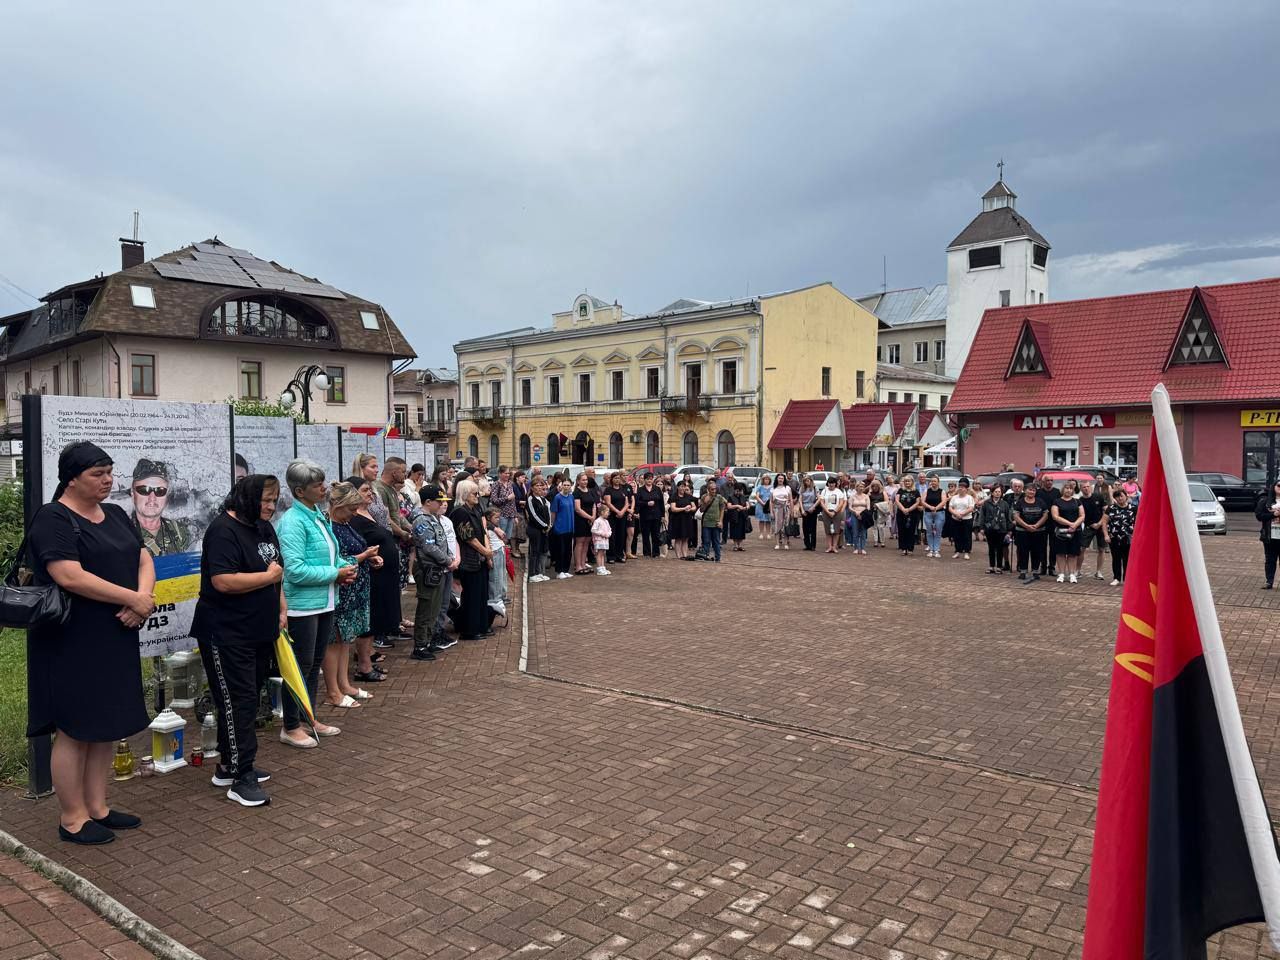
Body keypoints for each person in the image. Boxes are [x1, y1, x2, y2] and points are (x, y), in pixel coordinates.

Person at [27, 442, 154, 844]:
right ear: (72, 477)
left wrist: (143, 599)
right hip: (72, 638)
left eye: (109, 472)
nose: (108, 481)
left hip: (116, 631)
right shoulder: (53, 519)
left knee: (104, 726)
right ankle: (72, 817)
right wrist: (129, 598)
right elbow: (69, 576)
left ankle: (98, 807)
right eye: (98, 474)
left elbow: (143, 558)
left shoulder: (115, 513)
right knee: (75, 727)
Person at [193, 474, 286, 807]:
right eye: (265, 500)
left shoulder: (263, 527)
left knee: (248, 696)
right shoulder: (223, 530)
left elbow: (279, 570)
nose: (270, 507)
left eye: (274, 501)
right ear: (247, 498)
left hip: (260, 629)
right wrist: (268, 578)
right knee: (238, 700)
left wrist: (281, 607)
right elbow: (223, 581)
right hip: (226, 631)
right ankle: (241, 776)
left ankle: (229, 764)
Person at [275, 460, 354, 747]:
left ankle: (309, 718)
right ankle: (291, 725)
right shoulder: (293, 522)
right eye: (317, 485)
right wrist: (335, 573)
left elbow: (328, 557)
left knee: (313, 664)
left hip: (323, 601)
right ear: (299, 491)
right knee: (300, 665)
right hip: (301, 606)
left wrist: (345, 566)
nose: (324, 488)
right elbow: (293, 570)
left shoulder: (317, 515)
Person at [326, 482, 382, 708]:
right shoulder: (330, 526)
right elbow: (334, 560)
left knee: (345, 638)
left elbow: (353, 552)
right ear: (338, 505)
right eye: (350, 509)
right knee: (335, 639)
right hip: (342, 589)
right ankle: (333, 689)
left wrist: (369, 557)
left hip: (355, 589)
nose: (353, 514)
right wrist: (363, 556)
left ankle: (344, 683)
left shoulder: (344, 524)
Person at [344, 478, 399, 681]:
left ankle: (368, 659)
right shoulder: (353, 519)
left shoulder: (369, 512)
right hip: (370, 576)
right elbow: (356, 547)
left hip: (380, 573)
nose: (371, 493)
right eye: (366, 490)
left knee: (375, 621)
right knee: (368, 622)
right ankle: (364, 666)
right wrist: (369, 556)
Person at [409, 484, 456, 657]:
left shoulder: (432, 517)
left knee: (435, 608)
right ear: (428, 502)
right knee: (426, 609)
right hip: (428, 568)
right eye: (439, 501)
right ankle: (420, 645)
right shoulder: (422, 519)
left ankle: (427, 641)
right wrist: (448, 560)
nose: (442, 504)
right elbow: (430, 547)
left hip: (437, 568)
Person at [448, 479, 495, 639]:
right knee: (471, 595)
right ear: (465, 494)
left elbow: (482, 532)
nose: (478, 496)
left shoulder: (475, 509)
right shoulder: (460, 512)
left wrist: (487, 553)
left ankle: (482, 626)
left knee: (482, 594)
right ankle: (469, 629)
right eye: (475, 493)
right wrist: (485, 552)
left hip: (480, 559)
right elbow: (468, 537)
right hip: (469, 560)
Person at [129, 459, 193, 557]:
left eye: (160, 491)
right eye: (144, 490)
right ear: (133, 494)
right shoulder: (118, 534)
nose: (152, 498)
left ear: (166, 498)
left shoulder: (181, 532)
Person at [1050, 479, 1085, 583]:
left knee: (1073, 554)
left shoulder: (1077, 501)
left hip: (1075, 531)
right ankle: (1061, 574)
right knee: (1060, 553)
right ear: (1063, 489)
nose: (1068, 490)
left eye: (1070, 488)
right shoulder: (1057, 501)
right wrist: (1070, 523)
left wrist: (1075, 524)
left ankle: (1072, 574)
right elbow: (1055, 516)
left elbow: (1082, 515)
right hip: (1061, 531)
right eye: (1066, 488)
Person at [1012, 484, 1049, 581]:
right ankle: (1023, 571)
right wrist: (1026, 526)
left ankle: (1035, 571)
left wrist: (1037, 525)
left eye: (1033, 490)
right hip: (1022, 532)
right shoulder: (1020, 502)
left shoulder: (1040, 502)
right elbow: (1016, 516)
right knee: (1023, 551)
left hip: (1038, 531)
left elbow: (1045, 515)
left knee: (1036, 551)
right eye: (1029, 490)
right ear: (1025, 490)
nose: (1031, 492)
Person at [1103, 488, 1138, 586]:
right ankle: (1116, 577)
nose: (1120, 498)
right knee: (1116, 558)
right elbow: (1104, 522)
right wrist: (1106, 535)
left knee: (1127, 558)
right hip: (1114, 537)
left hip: (1128, 538)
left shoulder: (1133, 508)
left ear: (1126, 496)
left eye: (1121, 496)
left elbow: (1139, 522)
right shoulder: (1111, 508)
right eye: (1117, 497)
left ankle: (1127, 578)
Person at [977, 483, 1011, 574]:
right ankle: (991, 566)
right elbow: (982, 516)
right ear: (992, 493)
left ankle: (999, 566)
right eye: (995, 492)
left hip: (1001, 529)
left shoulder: (1005, 504)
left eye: (999, 492)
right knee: (991, 548)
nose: (997, 493)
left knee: (1000, 548)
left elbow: (1008, 517)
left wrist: (1009, 530)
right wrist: (982, 528)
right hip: (989, 528)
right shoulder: (986, 503)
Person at [571, 472, 600, 574]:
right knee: (580, 542)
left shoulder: (591, 491)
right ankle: (578, 566)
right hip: (580, 520)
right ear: (578, 481)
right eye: (583, 480)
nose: (585, 482)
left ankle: (583, 564)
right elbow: (578, 509)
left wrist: (593, 517)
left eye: (586, 480)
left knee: (587, 542)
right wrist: (589, 517)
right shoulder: (576, 493)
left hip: (590, 520)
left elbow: (594, 505)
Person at [525, 477, 552, 582]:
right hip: (534, 529)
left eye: (541, 485)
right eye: (537, 485)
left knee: (542, 550)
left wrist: (549, 525)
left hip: (544, 530)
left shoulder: (544, 499)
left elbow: (548, 513)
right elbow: (534, 515)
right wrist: (544, 526)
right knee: (534, 551)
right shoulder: (531, 499)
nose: (539, 487)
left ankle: (539, 572)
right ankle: (532, 574)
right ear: (532, 488)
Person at [1080, 480, 1108, 581]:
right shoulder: (1080, 500)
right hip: (1088, 526)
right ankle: (1077, 571)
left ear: (1090, 487)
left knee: (1101, 549)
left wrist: (1100, 523)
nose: (1086, 488)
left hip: (1101, 526)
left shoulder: (1098, 497)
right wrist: (1091, 524)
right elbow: (1081, 515)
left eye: (1087, 486)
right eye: (1084, 487)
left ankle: (1098, 572)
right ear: (1081, 489)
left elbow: (1106, 511)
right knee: (1082, 548)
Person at [549, 477, 576, 579]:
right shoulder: (557, 497)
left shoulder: (571, 497)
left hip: (569, 527)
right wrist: (553, 524)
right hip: (560, 528)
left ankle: (565, 569)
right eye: (564, 485)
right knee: (560, 550)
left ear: (570, 486)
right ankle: (559, 571)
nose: (566, 487)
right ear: (561, 486)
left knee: (568, 550)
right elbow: (553, 512)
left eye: (568, 485)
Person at [635, 473, 665, 558]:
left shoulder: (657, 489)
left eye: (651, 479)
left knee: (655, 534)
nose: (649, 480)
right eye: (647, 479)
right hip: (645, 515)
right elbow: (638, 502)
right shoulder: (640, 490)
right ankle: (647, 552)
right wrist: (646, 503)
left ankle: (656, 553)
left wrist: (662, 515)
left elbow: (661, 502)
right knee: (645, 534)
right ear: (644, 480)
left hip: (656, 515)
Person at [1256, 482, 1280, 589]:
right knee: (1270, 560)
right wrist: (1273, 514)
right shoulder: (1266, 501)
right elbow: (1259, 516)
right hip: (1270, 536)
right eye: (1279, 485)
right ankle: (1269, 582)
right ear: (1273, 487)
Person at [485, 506, 510, 612]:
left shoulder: (494, 526)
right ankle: (495, 598)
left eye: (499, 517)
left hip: (500, 550)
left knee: (502, 574)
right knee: (495, 577)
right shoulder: (488, 526)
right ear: (488, 518)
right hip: (494, 552)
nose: (498, 519)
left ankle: (502, 596)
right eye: (496, 517)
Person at [604, 472, 630, 564]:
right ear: (612, 480)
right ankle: (611, 556)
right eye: (615, 478)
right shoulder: (608, 490)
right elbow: (608, 503)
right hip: (612, 516)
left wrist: (622, 512)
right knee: (612, 536)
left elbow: (627, 503)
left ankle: (620, 555)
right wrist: (617, 511)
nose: (617, 480)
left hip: (622, 516)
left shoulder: (623, 490)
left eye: (618, 478)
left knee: (621, 535)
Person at [699, 479, 727, 561]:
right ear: (708, 489)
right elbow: (701, 510)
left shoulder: (719, 497)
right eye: (712, 489)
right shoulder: (704, 497)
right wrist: (705, 503)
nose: (714, 491)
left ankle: (717, 557)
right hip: (706, 522)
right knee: (706, 541)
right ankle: (706, 556)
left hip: (716, 523)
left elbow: (722, 509)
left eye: (715, 489)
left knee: (716, 541)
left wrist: (721, 521)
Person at [948, 478, 976, 560]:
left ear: (966, 489)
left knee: (966, 535)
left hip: (967, 519)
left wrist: (962, 514)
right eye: (959, 487)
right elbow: (950, 507)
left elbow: (971, 508)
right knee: (956, 535)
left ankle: (966, 552)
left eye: (963, 487)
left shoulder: (969, 498)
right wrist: (955, 514)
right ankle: (957, 551)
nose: (961, 488)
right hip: (955, 519)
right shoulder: (954, 497)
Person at [668, 480, 696, 561]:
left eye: (684, 486)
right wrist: (684, 508)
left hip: (687, 519)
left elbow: (694, 507)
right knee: (678, 538)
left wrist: (690, 509)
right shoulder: (674, 496)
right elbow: (673, 509)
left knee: (685, 538)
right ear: (678, 487)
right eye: (681, 486)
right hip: (677, 520)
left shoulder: (688, 496)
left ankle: (685, 555)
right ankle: (679, 556)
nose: (683, 488)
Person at [920, 475, 945, 559]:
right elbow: (922, 501)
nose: (933, 482)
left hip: (939, 513)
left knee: (938, 532)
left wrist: (936, 508)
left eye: (935, 481)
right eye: (932, 481)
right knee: (929, 532)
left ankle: (936, 550)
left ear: (938, 482)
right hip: (928, 513)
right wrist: (930, 507)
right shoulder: (927, 491)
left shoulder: (942, 491)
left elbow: (943, 501)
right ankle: (931, 549)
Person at [895, 475, 921, 555]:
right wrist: (903, 509)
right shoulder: (900, 490)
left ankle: (910, 549)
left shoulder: (916, 491)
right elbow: (897, 500)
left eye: (909, 481)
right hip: (901, 513)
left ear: (912, 482)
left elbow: (917, 502)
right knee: (902, 531)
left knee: (911, 531)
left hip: (912, 514)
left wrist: (909, 509)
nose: (907, 483)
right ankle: (903, 548)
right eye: (906, 481)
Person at [819, 477, 845, 554]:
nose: (831, 485)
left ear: (835, 484)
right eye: (830, 483)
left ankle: (834, 546)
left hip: (837, 512)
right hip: (826, 512)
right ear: (828, 483)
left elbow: (841, 502)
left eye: (833, 483)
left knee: (836, 530)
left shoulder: (839, 492)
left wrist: (835, 511)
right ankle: (829, 546)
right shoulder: (824, 491)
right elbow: (822, 502)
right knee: (828, 531)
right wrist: (827, 511)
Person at [846, 481, 871, 555]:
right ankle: (856, 548)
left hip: (864, 516)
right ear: (856, 487)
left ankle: (863, 548)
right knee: (855, 531)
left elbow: (868, 507)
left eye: (863, 487)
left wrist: (862, 514)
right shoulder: (852, 496)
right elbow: (850, 507)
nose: (861, 488)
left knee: (863, 532)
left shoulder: (866, 496)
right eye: (860, 486)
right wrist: (855, 512)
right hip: (854, 515)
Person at [723, 481, 749, 552]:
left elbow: (747, 505)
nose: (738, 492)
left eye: (740, 491)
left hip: (742, 516)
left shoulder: (743, 497)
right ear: (734, 490)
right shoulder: (730, 497)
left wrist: (745, 508)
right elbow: (729, 506)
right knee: (734, 531)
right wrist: (737, 506)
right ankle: (735, 545)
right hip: (734, 517)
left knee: (741, 531)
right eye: (737, 491)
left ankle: (740, 545)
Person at [771, 474, 794, 550]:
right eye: (779, 478)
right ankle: (777, 543)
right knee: (777, 526)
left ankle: (786, 543)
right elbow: (771, 502)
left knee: (786, 525)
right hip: (777, 509)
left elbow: (791, 500)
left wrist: (792, 511)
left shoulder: (787, 488)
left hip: (786, 509)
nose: (780, 480)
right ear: (776, 479)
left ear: (784, 479)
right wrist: (771, 512)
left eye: (782, 478)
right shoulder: (773, 489)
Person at [590, 503, 612, 575]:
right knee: (599, 554)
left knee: (602, 554)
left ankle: (603, 567)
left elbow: (609, 529)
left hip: (605, 540)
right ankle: (599, 569)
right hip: (599, 540)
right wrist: (602, 533)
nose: (608, 513)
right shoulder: (597, 521)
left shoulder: (606, 521)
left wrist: (608, 534)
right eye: (607, 512)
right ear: (602, 512)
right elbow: (593, 530)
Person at [799, 476, 819, 551]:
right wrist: (802, 510)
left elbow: (819, 498)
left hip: (812, 508)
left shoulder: (814, 488)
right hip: (804, 507)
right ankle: (807, 544)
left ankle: (813, 545)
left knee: (813, 527)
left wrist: (813, 507)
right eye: (805, 481)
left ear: (811, 481)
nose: (806, 482)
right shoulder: (802, 489)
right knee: (805, 528)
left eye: (808, 481)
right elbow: (800, 500)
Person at [750, 477, 773, 541]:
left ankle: (768, 533)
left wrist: (768, 503)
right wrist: (762, 503)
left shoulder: (772, 487)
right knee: (762, 520)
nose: (767, 480)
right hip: (761, 505)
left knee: (768, 520)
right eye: (765, 479)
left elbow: (772, 496)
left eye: (768, 479)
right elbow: (757, 496)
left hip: (769, 505)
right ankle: (761, 533)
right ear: (763, 480)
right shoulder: (760, 487)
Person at [868, 479, 888, 548]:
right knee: (874, 526)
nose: (875, 488)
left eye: (876, 486)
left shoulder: (883, 493)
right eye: (873, 486)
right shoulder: (870, 493)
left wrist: (878, 505)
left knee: (881, 527)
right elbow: (867, 502)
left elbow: (887, 501)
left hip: (881, 511)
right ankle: (875, 541)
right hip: (873, 511)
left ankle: (882, 541)